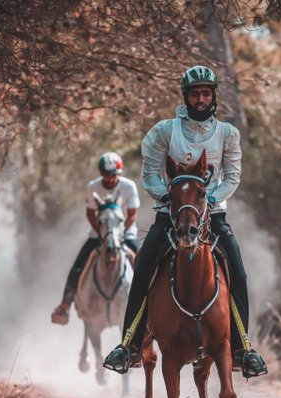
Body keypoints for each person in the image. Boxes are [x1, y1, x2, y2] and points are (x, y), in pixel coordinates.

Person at [102, 65, 268, 378]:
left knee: (239, 273)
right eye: (196, 94)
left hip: (212, 216)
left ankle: (243, 348)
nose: (201, 99)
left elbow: (232, 176)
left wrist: (209, 202)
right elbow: (150, 173)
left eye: (206, 93)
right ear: (186, 96)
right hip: (171, 214)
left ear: (213, 96)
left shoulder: (228, 134)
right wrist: (170, 200)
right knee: (143, 268)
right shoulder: (165, 131)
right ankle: (130, 345)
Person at [51, 152, 140, 325]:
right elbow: (91, 214)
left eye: (113, 175)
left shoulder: (129, 187)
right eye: (106, 175)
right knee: (79, 264)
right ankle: (65, 306)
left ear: (119, 174)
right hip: (99, 234)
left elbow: (133, 215)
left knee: (143, 263)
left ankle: (151, 302)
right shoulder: (92, 187)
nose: (110, 179)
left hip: (125, 233)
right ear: (101, 174)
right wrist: (102, 234)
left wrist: (118, 233)